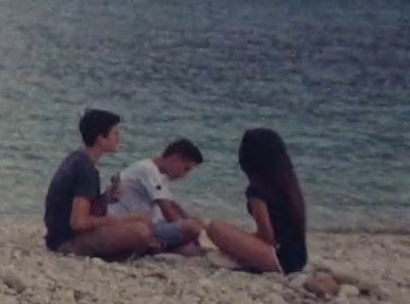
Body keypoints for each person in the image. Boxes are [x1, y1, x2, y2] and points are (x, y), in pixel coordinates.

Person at [42, 109, 197, 259]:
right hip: (66, 242)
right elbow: (79, 222)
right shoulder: (85, 169)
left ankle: (148, 247)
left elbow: (81, 210)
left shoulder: (78, 159)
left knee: (141, 228)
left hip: (60, 236)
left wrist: (106, 198)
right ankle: (149, 248)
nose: (119, 138)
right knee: (140, 231)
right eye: (115, 133)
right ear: (101, 138)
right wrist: (129, 218)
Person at [205, 128, 309, 274]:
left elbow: (267, 236)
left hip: (278, 258)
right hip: (299, 259)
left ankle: (244, 261)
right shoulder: (289, 185)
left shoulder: (257, 191)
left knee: (214, 227)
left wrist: (243, 239)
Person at [108, 139, 207, 252]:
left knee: (196, 222)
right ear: (176, 158)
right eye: (186, 169)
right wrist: (186, 228)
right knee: (191, 228)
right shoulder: (149, 169)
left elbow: (173, 204)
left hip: (146, 223)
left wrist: (190, 219)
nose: (184, 175)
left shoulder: (158, 174)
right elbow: (167, 211)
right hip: (133, 225)